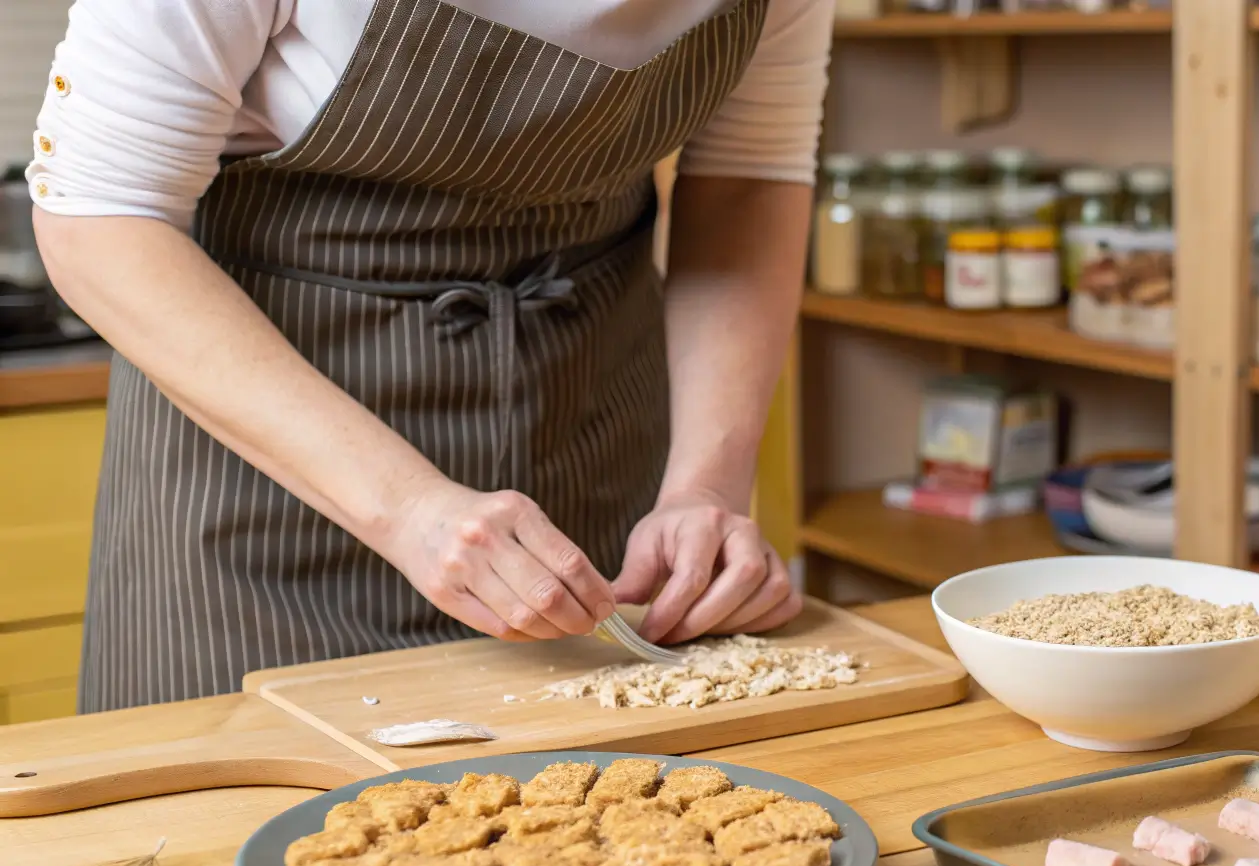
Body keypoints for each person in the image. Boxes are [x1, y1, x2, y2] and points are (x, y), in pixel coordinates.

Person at [27, 0, 831, 711]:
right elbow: (99, 217)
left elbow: (748, 179)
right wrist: (409, 507)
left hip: (590, 437)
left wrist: (705, 486)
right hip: (264, 488)